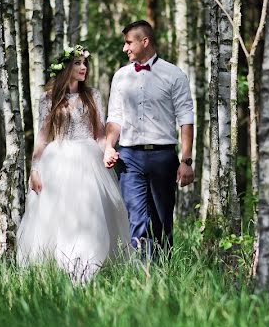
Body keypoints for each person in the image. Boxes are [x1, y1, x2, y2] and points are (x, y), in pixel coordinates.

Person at [16, 45, 130, 282]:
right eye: (77, 63)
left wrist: (108, 150)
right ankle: (57, 268)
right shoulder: (48, 99)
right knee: (56, 215)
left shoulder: (93, 96)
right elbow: (42, 135)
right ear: (66, 67)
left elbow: (99, 134)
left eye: (85, 63)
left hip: (88, 160)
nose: (83, 67)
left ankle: (89, 267)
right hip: (56, 160)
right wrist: (35, 169)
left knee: (91, 214)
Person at [103, 20, 195, 258]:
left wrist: (186, 160)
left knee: (161, 220)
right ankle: (141, 275)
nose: (125, 49)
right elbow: (114, 118)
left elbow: (186, 118)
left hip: (163, 156)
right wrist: (108, 146)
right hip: (129, 157)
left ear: (144, 42)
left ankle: (164, 274)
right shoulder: (120, 77)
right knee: (136, 217)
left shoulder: (174, 74)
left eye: (128, 42)